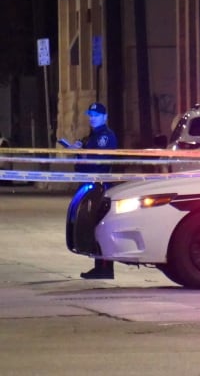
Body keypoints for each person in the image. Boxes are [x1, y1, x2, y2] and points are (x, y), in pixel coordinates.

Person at [68, 102, 119, 279]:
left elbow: (99, 160)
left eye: (96, 115)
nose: (92, 118)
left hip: (99, 186)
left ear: (105, 117)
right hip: (90, 185)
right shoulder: (91, 137)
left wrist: (82, 153)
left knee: (100, 225)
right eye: (90, 115)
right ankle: (100, 265)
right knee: (92, 225)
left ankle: (105, 267)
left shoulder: (105, 136)